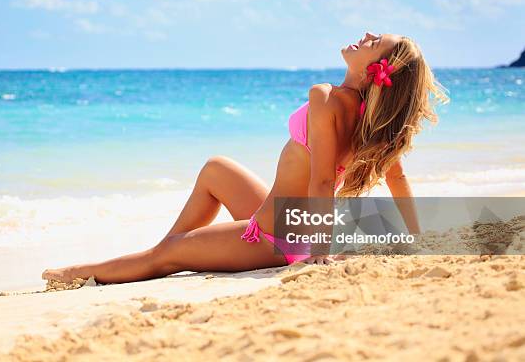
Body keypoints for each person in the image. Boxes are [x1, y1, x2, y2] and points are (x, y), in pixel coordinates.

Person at [42, 32, 448, 283]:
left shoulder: (326, 99)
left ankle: (82, 272)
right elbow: (396, 179)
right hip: (287, 226)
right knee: (216, 168)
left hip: (274, 240)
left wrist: (320, 254)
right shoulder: (369, 119)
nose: (366, 33)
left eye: (374, 42)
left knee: (165, 257)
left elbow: (322, 181)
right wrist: (415, 235)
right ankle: (173, 247)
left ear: (377, 69)